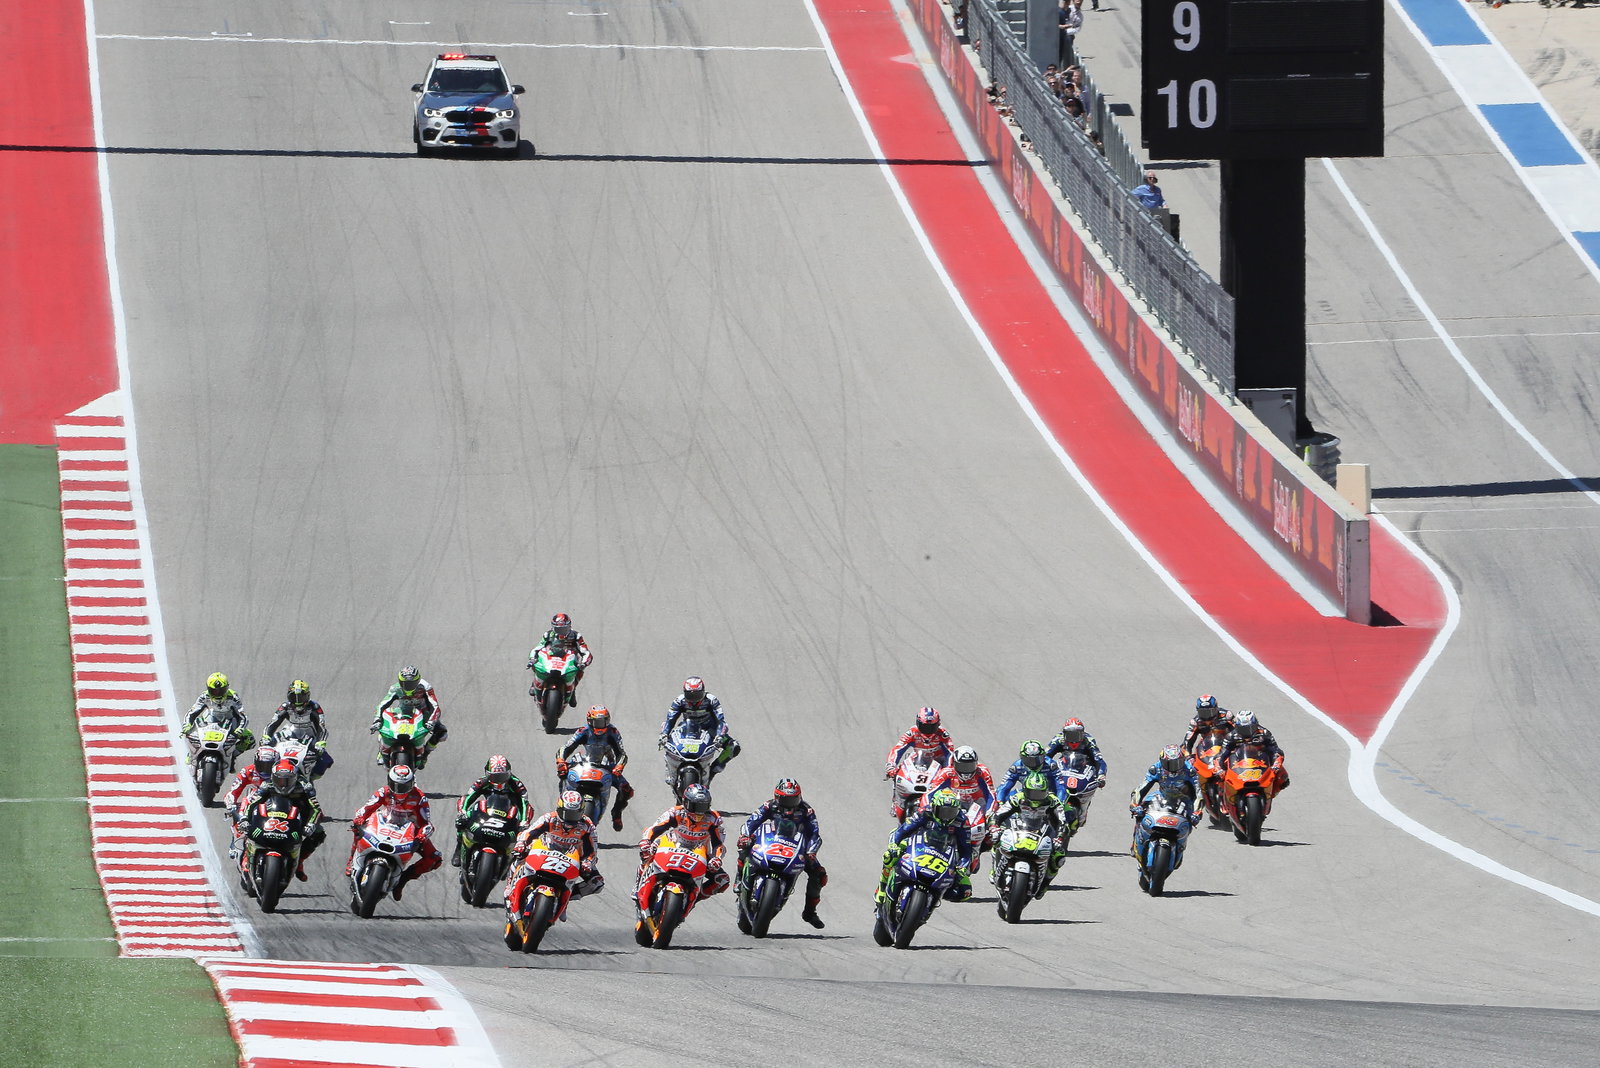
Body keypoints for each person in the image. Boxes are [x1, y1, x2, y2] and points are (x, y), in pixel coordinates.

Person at [737, 778, 826, 929]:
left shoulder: (807, 811)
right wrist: (745, 836)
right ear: (777, 797)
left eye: (793, 799)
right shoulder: (769, 805)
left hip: (796, 847)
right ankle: (739, 879)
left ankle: (810, 912)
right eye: (785, 799)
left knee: (820, 875)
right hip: (771, 842)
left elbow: (814, 834)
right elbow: (752, 821)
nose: (789, 803)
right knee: (745, 847)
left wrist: (811, 852)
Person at [347, 764, 441, 900]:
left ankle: (402, 881)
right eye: (395, 785)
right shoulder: (383, 792)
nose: (399, 790)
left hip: (409, 832)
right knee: (358, 829)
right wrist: (359, 819)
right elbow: (366, 808)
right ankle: (351, 860)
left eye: (403, 786)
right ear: (389, 781)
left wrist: (420, 837)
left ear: (412, 783)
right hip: (384, 823)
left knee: (434, 858)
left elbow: (426, 823)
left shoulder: (420, 798)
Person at [877, 787, 973, 903]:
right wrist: (893, 846)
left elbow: (966, 850)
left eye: (950, 812)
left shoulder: (962, 821)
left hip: (945, 853)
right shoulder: (925, 812)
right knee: (890, 856)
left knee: (965, 891)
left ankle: (936, 895)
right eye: (942, 811)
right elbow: (902, 830)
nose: (946, 816)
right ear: (934, 807)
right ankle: (882, 888)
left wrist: (961, 868)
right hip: (917, 844)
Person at [509, 790, 604, 901]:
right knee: (518, 853)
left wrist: (588, 861)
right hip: (545, 848)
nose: (570, 818)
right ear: (559, 809)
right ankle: (511, 885)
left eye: (575, 814)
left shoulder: (587, 826)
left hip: (573, 857)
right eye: (567, 813)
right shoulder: (549, 818)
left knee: (597, 883)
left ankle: (564, 896)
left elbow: (592, 849)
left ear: (582, 812)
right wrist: (521, 843)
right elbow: (530, 832)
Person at [989, 771, 1072, 897]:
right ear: (1026, 790)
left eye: (1040, 793)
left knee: (1059, 858)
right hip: (1019, 829)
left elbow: (1063, 822)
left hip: (1045, 832)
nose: (1036, 797)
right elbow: (998, 814)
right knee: (996, 839)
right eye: (1033, 793)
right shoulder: (1018, 798)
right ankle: (996, 868)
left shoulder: (1053, 801)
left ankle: (1045, 884)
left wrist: (1059, 838)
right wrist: (994, 827)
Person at [637, 784, 729, 895]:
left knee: (722, 880)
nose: (699, 812)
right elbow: (655, 828)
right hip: (672, 844)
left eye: (703, 807)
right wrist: (646, 840)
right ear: (686, 803)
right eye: (695, 807)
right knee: (646, 851)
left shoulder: (713, 819)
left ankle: (695, 897)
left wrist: (717, 859)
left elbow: (718, 843)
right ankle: (639, 882)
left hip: (698, 852)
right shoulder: (675, 812)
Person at [243, 759, 325, 881]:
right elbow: (253, 803)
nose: (283, 784)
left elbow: (316, 808)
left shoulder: (304, 786)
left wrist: (311, 824)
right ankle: (246, 857)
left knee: (319, 833)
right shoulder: (267, 784)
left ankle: (299, 861)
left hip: (297, 816)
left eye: (288, 780)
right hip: (270, 816)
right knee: (246, 827)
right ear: (273, 777)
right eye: (279, 780)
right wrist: (245, 819)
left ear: (295, 778)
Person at [557, 706, 635, 832]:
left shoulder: (613, 732)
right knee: (563, 773)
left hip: (606, 765)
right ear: (589, 721)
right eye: (597, 722)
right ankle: (561, 803)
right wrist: (561, 761)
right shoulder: (583, 730)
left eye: (604, 721)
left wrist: (619, 766)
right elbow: (566, 747)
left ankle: (616, 813)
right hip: (584, 762)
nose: (601, 725)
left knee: (627, 790)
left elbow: (622, 754)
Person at [926, 745, 997, 871]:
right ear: (954, 764)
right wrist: (927, 810)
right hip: (952, 805)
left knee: (989, 831)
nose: (966, 771)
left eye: (969, 766)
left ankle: (975, 851)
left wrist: (990, 814)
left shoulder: (982, 772)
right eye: (962, 766)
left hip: (975, 805)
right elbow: (929, 794)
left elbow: (991, 795)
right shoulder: (946, 773)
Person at [453, 755, 533, 867]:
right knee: (461, 821)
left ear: (509, 773)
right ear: (487, 774)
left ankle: (511, 859)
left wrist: (524, 822)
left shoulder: (517, 784)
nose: (499, 780)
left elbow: (525, 805)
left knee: (521, 834)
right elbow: (467, 797)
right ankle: (459, 845)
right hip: (488, 810)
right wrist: (463, 812)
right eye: (495, 777)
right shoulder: (482, 781)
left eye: (503, 776)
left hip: (508, 812)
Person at [659, 677, 740, 782]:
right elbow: (670, 720)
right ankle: (672, 769)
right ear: (684, 693)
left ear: (703, 692)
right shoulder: (679, 701)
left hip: (709, 729)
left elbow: (721, 721)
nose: (693, 699)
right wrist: (664, 734)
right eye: (690, 695)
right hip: (686, 728)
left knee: (733, 746)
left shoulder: (711, 700)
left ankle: (712, 771)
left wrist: (719, 735)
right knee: (669, 743)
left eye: (696, 695)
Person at [1129, 744, 1204, 857]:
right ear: (1162, 761)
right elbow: (1142, 788)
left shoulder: (1189, 770)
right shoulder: (1156, 768)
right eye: (1169, 763)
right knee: (1141, 812)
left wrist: (1197, 812)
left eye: (1177, 763)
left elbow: (1198, 794)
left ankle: (1180, 847)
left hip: (1184, 799)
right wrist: (1135, 804)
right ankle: (1136, 841)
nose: (1173, 767)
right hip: (1162, 795)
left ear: (1183, 760)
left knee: (1190, 821)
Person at [369, 665, 447, 768]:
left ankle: (425, 754)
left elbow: (435, 706)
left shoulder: (425, 687)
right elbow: (383, 704)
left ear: (418, 681)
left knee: (442, 733)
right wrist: (377, 720)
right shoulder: (395, 688)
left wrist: (431, 722)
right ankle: (382, 750)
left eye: (412, 683)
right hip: (404, 711)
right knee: (384, 724)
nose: (408, 686)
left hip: (424, 713)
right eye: (405, 683)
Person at [180, 672, 253, 770]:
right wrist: (187, 724)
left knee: (249, 740)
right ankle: (192, 753)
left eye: (221, 691)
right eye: (214, 691)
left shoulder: (233, 697)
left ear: (227, 688)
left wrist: (240, 728)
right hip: (211, 718)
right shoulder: (204, 696)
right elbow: (192, 712)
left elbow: (242, 715)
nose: (217, 694)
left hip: (230, 720)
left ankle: (232, 756)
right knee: (190, 731)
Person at [264, 679, 332, 780]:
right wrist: (266, 737)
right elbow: (273, 724)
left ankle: (310, 778)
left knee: (326, 760)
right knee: (265, 752)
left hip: (309, 735)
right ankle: (265, 776)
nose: (297, 701)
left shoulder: (315, 707)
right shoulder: (285, 706)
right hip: (290, 732)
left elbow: (322, 727)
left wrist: (320, 743)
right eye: (293, 697)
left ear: (308, 696)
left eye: (301, 697)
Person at [224, 746, 279, 860]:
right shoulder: (248, 771)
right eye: (262, 765)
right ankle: (237, 841)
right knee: (243, 805)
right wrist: (231, 803)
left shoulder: (282, 773)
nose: (265, 769)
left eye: (269, 766)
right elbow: (234, 790)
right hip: (256, 798)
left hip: (276, 799)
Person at [527, 612, 594, 706]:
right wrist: (532, 659)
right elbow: (538, 647)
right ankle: (535, 682)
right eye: (558, 629)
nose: (561, 631)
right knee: (536, 662)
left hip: (569, 660)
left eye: (564, 629)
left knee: (580, 669)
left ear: (569, 626)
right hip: (551, 658)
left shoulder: (576, 636)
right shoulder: (548, 635)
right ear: (553, 627)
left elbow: (585, 652)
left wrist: (584, 663)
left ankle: (573, 689)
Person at [1214, 710, 1290, 790]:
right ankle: (1224, 795)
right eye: (1243, 729)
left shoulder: (1264, 733)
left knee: (1283, 777)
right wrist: (1219, 768)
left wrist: (1276, 764)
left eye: (1250, 728)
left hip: (1261, 761)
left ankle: (1270, 794)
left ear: (1256, 725)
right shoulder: (1231, 736)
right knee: (1219, 777)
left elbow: (1276, 750)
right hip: (1238, 762)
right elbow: (1222, 753)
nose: (1247, 732)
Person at [883, 707, 955, 777]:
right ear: (918, 723)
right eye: (925, 726)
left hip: (939, 762)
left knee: (950, 777)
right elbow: (898, 749)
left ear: (938, 724)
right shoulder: (912, 732)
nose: (928, 730)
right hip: (919, 760)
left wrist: (947, 769)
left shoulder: (942, 734)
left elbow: (950, 753)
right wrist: (891, 765)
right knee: (901, 771)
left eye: (932, 727)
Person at [996, 740, 1071, 806]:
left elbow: (1061, 786)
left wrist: (1060, 802)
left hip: (1049, 795)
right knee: (1003, 802)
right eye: (1029, 760)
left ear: (1044, 756)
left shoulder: (1051, 765)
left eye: (1038, 759)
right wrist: (1000, 802)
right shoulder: (1016, 767)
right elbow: (1003, 787)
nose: (1034, 764)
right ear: (1022, 758)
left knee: (1069, 813)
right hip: (1027, 795)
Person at [1045, 718, 1108, 782]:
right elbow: (1046, 755)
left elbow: (1099, 759)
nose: (1073, 740)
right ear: (1064, 734)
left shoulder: (1088, 740)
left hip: (1083, 768)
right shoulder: (1058, 739)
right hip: (1064, 766)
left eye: (1077, 736)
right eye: (1070, 735)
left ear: (1083, 734)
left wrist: (1101, 775)